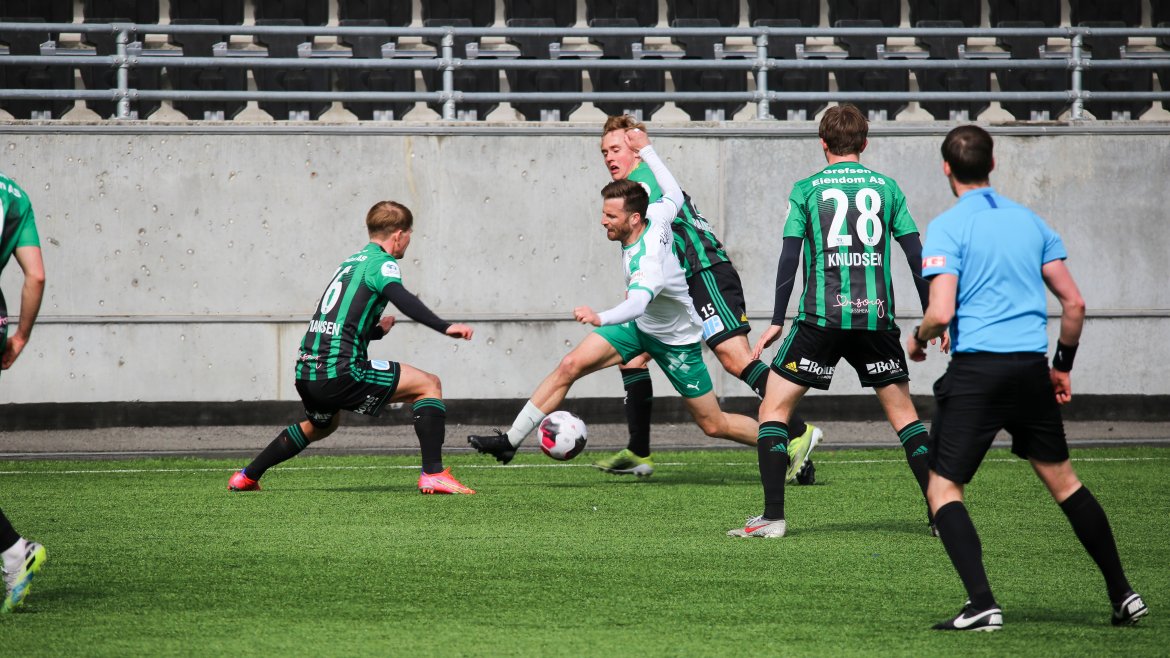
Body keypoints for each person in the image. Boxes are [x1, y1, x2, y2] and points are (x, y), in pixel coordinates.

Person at [910, 125, 1148, 631]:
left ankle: (981, 603)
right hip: (1030, 369)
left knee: (943, 487)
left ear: (946, 168)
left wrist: (918, 336)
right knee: (1065, 483)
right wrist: (1062, 366)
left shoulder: (948, 227)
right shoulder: (1031, 221)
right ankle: (1123, 593)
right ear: (993, 164)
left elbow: (941, 311)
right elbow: (1074, 304)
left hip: (978, 372)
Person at [468, 129, 758, 465]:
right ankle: (510, 441)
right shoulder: (655, 213)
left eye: (611, 217)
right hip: (641, 327)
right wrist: (648, 150)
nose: (602, 221)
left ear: (633, 218)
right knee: (571, 365)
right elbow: (674, 194)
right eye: (604, 213)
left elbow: (637, 303)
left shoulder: (646, 259)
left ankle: (784, 439)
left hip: (674, 339)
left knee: (714, 423)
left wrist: (600, 317)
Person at [731, 104, 941, 539]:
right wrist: (932, 313)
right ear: (865, 143)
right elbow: (916, 256)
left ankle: (772, 518)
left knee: (773, 410)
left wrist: (776, 320)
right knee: (906, 419)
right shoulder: (887, 188)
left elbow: (790, 257)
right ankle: (942, 516)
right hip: (876, 319)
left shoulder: (807, 189)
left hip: (820, 320)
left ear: (822, 143)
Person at [593, 115, 820, 481]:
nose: (609, 157)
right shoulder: (637, 185)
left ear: (635, 150)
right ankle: (638, 450)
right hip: (684, 285)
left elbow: (651, 235)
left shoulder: (644, 184)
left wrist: (638, 289)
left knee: (735, 358)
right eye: (604, 151)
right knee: (633, 359)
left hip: (705, 273)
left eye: (616, 148)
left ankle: (796, 430)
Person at [228, 201, 477, 495]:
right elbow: (401, 297)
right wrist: (444, 326)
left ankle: (246, 476)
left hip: (307, 371)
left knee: (320, 426)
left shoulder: (350, 263)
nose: (409, 239)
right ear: (399, 234)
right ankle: (433, 473)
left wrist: (377, 331)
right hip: (340, 371)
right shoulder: (382, 263)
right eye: (410, 233)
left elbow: (337, 324)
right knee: (428, 384)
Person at [1, 171, 48, 613]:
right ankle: (14, 551)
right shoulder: (13, 194)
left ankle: (14, 550)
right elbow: (36, 276)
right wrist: (20, 337)